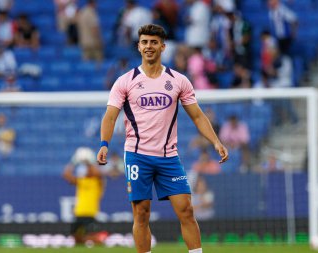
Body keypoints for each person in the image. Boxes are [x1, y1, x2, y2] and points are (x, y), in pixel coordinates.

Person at [97, 24, 228, 253]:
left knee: (186, 209)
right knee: (141, 213)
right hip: (137, 156)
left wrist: (215, 141)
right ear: (138, 47)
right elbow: (109, 117)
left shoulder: (178, 80)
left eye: (153, 42)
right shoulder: (125, 82)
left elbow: (197, 115)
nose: (149, 46)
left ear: (163, 46)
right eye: (145, 42)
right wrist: (104, 145)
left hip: (169, 157)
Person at [62, 147, 105, 244]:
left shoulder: (97, 182)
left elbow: (97, 172)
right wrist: (73, 162)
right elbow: (66, 175)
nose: (88, 170)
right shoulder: (82, 181)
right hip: (79, 213)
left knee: (93, 237)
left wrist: (89, 162)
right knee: (76, 237)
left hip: (90, 213)